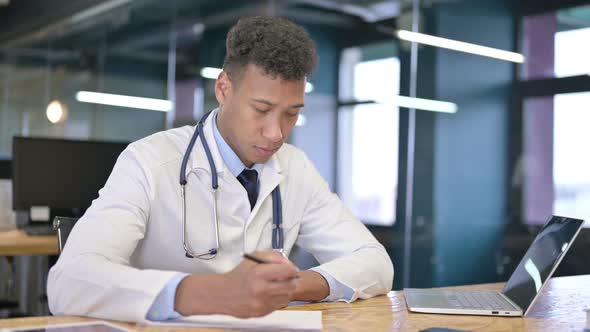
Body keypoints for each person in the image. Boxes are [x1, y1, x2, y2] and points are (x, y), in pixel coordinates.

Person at [47, 16, 393, 322]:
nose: (276, 133)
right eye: (261, 109)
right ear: (224, 89)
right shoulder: (149, 161)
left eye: (291, 113)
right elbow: (69, 281)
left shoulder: (295, 167)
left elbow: (375, 263)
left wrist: (285, 286)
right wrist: (215, 292)